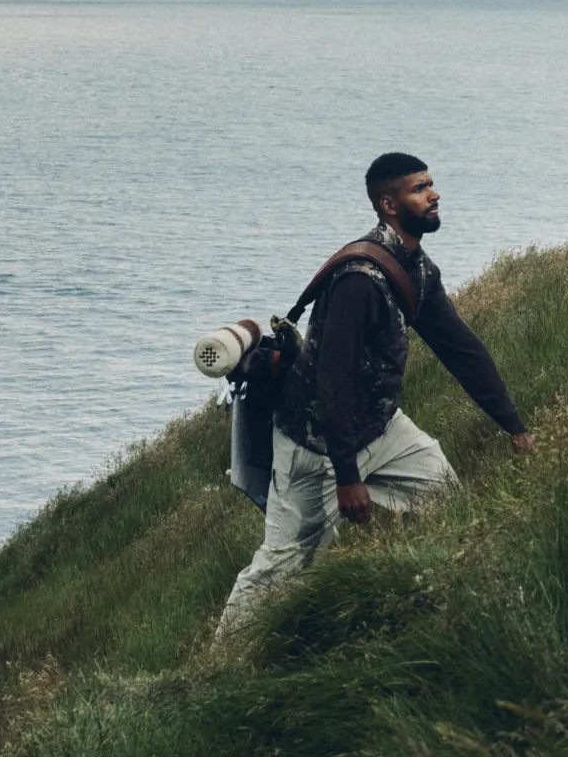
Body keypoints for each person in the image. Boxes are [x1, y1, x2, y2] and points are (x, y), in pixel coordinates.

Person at [216, 153, 532, 635]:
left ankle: (444, 611)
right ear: (388, 204)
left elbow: (461, 349)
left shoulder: (416, 268)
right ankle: (222, 661)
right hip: (314, 443)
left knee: (446, 499)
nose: (434, 194)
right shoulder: (359, 281)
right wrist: (347, 476)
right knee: (279, 566)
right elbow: (332, 383)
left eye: (431, 185)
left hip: (381, 428)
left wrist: (514, 426)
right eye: (419, 188)